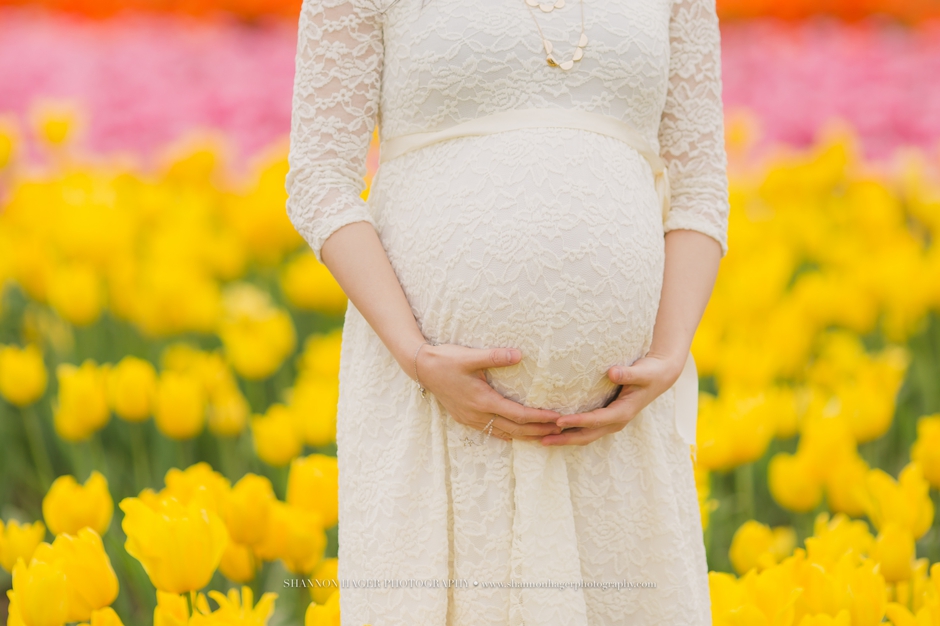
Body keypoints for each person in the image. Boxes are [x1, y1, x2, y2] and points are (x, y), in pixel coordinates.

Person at [284, 0, 729, 622]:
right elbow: (317, 179)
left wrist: (670, 352)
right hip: (436, 409)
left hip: (617, 431)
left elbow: (702, 187)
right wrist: (417, 356)